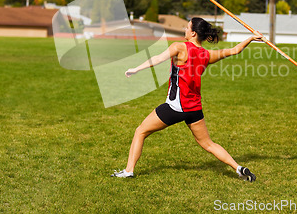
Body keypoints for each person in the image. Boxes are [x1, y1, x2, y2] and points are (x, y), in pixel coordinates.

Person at [111, 17, 262, 181]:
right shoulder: (207, 55)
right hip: (194, 108)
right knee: (208, 144)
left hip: (175, 107)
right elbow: (234, 50)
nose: (184, 30)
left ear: (193, 33)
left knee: (140, 131)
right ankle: (239, 168)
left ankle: (128, 171)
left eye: (187, 27)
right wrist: (251, 38)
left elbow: (157, 59)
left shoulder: (179, 47)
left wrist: (136, 69)